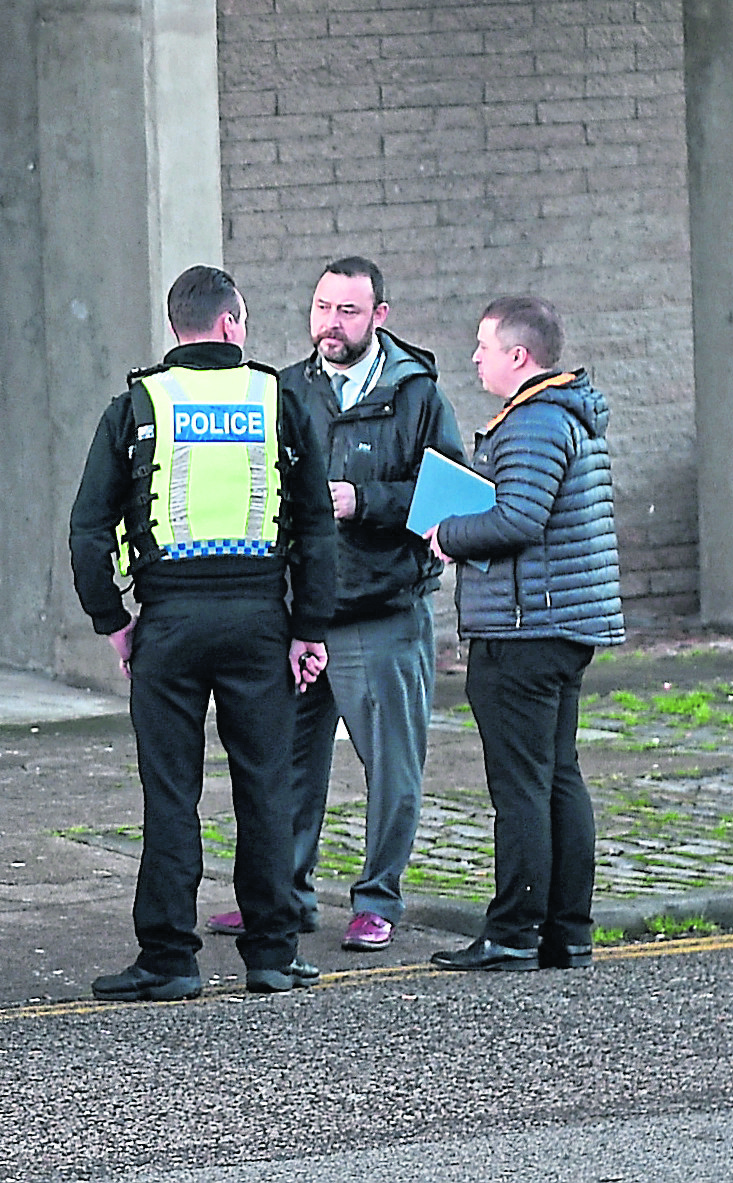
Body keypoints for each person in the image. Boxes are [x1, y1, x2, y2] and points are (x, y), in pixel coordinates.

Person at [70, 265, 342, 1001]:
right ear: (231, 323)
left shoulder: (136, 405)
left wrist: (114, 621)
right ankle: (272, 954)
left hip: (168, 620)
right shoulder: (276, 399)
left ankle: (168, 959)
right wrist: (307, 627)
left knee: (169, 793)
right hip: (260, 619)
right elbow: (316, 526)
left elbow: (88, 528)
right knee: (264, 788)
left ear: (174, 329)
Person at [206, 256, 464, 953]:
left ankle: (376, 899)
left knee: (390, 766)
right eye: (321, 307)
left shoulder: (417, 395)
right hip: (297, 612)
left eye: (347, 311)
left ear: (378, 316)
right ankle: (280, 893)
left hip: (382, 607)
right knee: (284, 762)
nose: (329, 323)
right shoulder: (284, 389)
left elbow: (450, 499)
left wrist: (365, 500)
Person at [426, 294, 624, 972]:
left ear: (519, 355)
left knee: (521, 786)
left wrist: (445, 533)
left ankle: (513, 930)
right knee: (555, 776)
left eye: (484, 345)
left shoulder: (533, 423)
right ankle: (565, 931)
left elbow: (517, 519)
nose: (475, 357)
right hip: (559, 624)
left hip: (525, 628)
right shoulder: (558, 414)